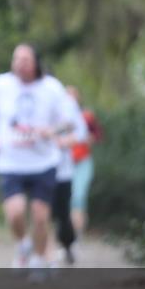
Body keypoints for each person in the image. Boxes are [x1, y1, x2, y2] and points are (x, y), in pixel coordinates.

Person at [0, 44, 72, 274]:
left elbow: (67, 122)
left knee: (41, 217)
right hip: (10, 161)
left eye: (25, 59)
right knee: (15, 212)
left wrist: (51, 131)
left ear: (36, 63)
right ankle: (23, 243)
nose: (19, 63)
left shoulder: (51, 87)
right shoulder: (1, 84)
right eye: (16, 58)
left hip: (43, 162)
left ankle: (39, 259)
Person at [51, 84, 88, 265]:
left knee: (62, 211)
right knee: (42, 208)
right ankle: (38, 254)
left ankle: (67, 243)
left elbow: (81, 133)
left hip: (62, 168)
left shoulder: (67, 104)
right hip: (36, 169)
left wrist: (64, 141)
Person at [66, 86, 102, 239]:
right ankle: (69, 232)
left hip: (82, 162)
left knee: (78, 197)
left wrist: (86, 139)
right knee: (67, 199)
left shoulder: (86, 116)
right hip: (65, 164)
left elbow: (97, 135)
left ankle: (77, 234)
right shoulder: (58, 117)